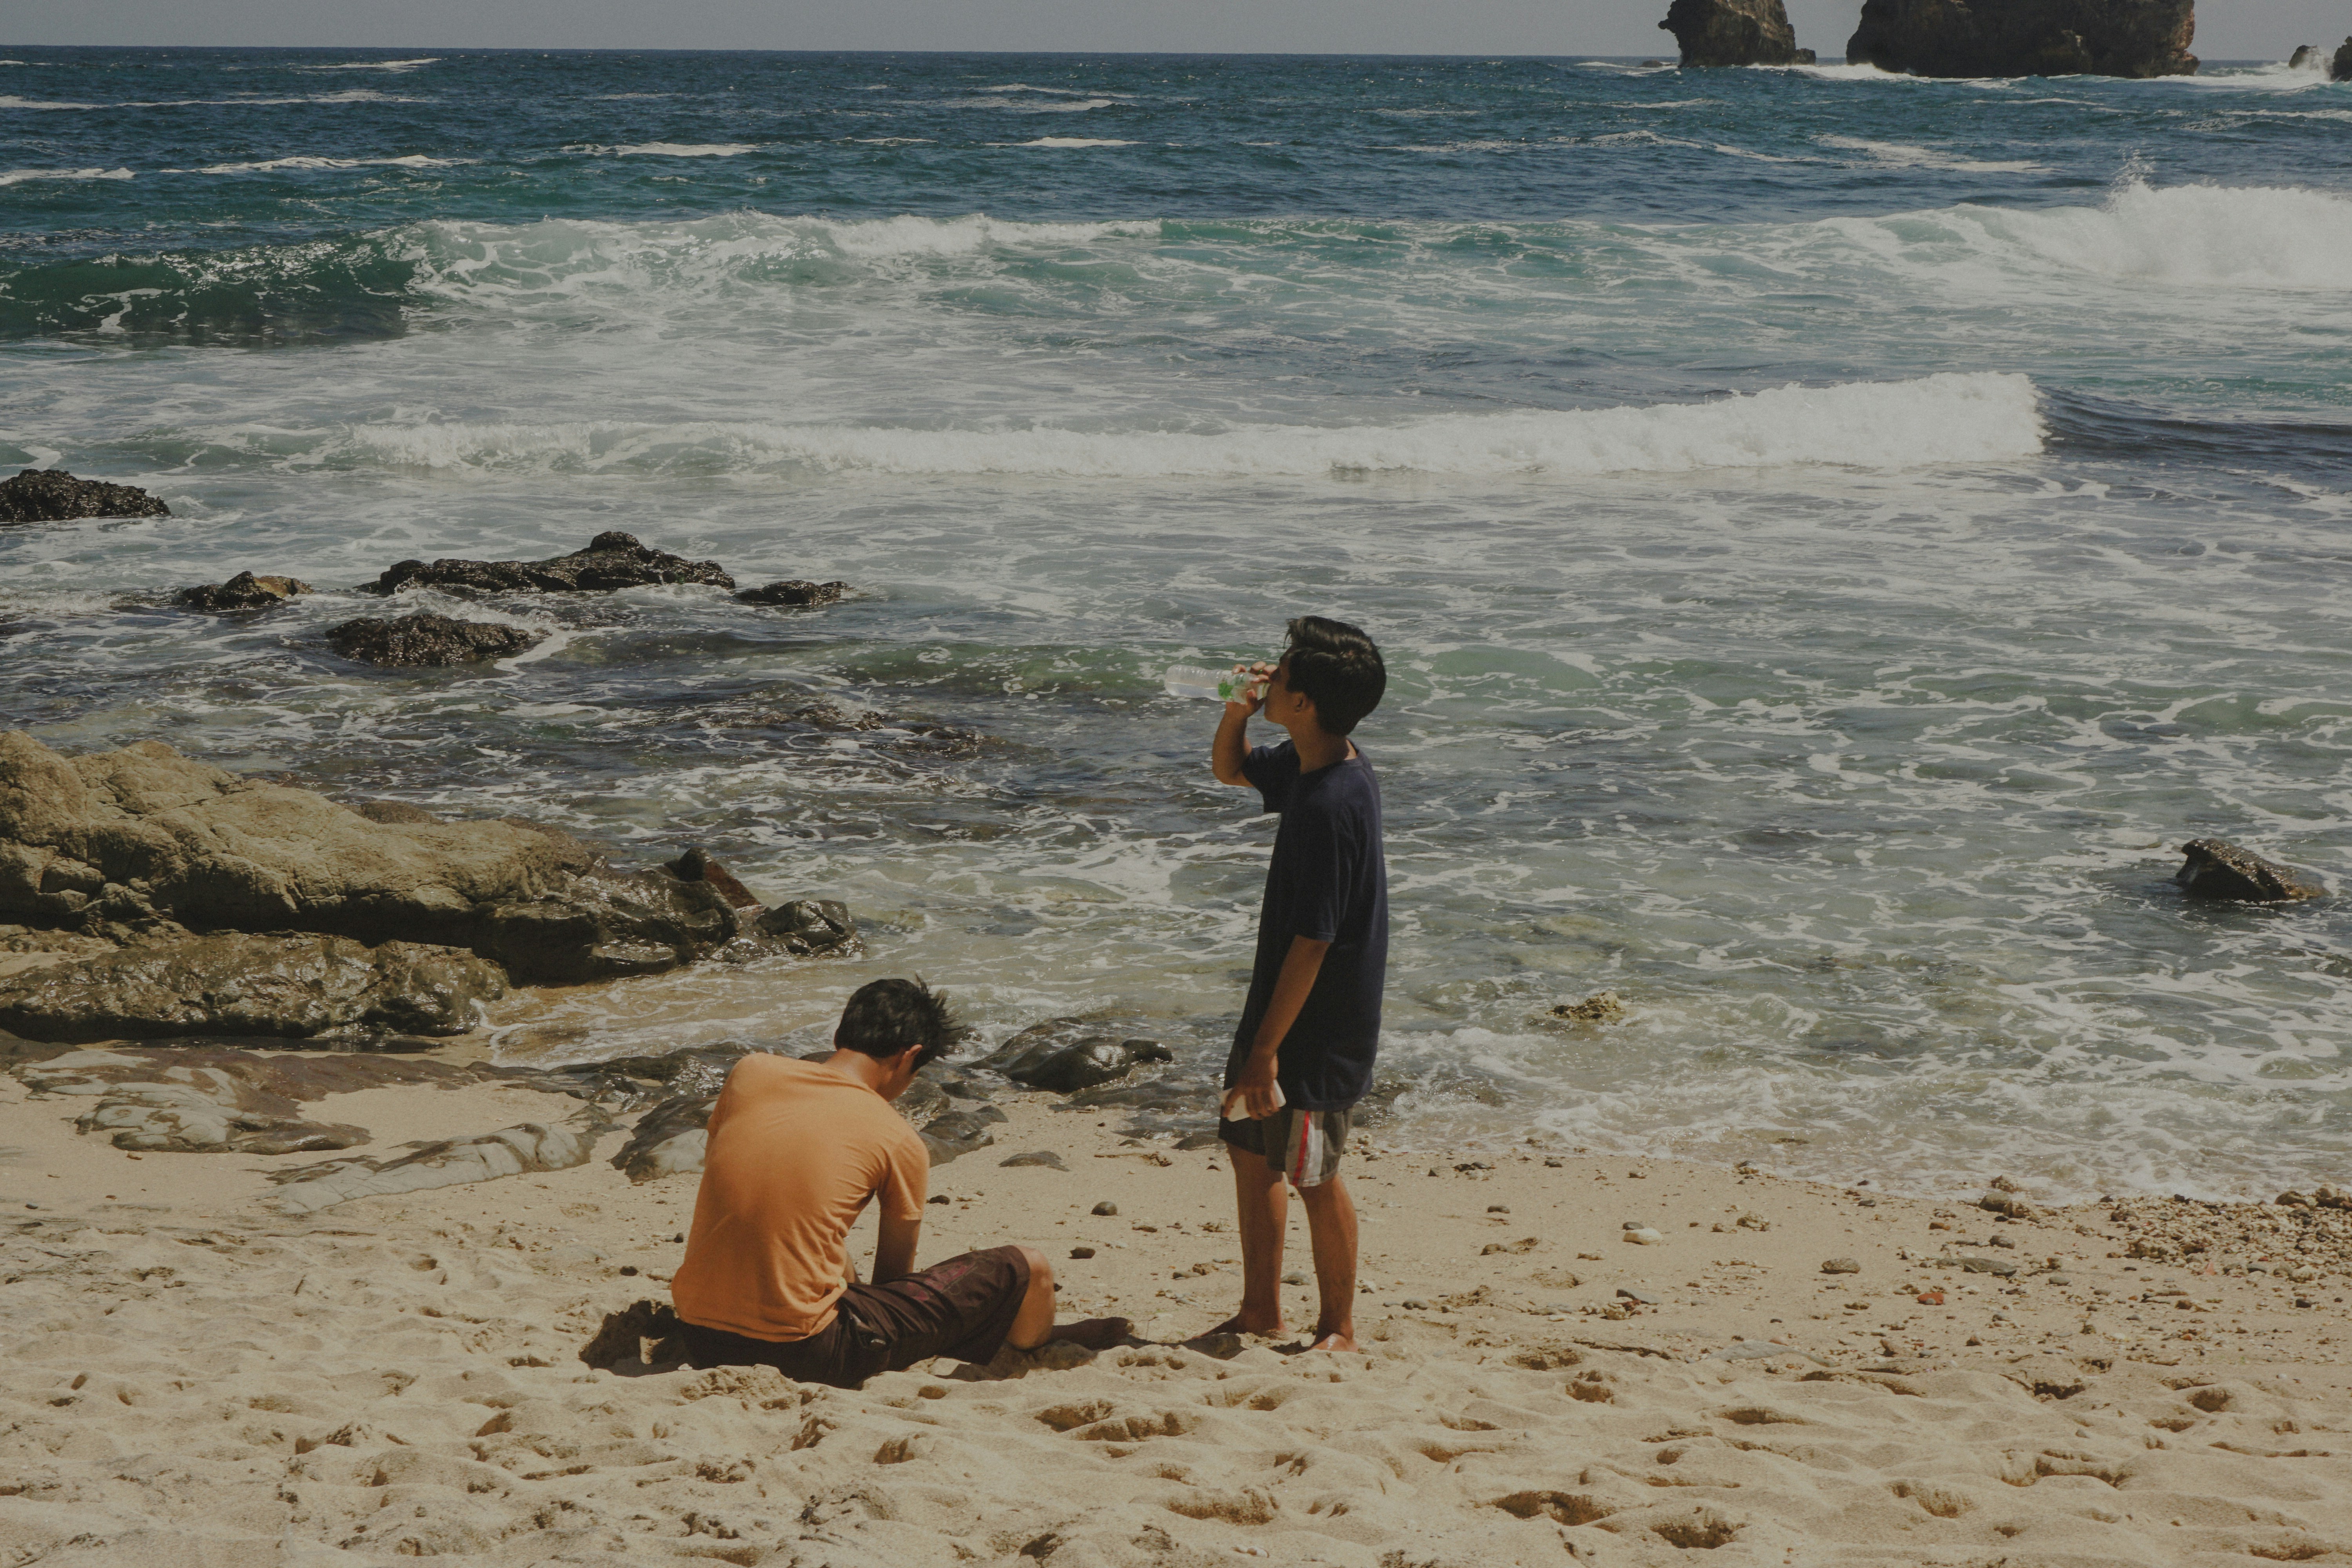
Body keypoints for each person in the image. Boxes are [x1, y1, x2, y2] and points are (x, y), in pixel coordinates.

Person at [669, 978, 1127, 1388]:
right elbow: (892, 1283)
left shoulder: (751, 1072)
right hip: (804, 1352)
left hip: (698, 1334)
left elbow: (747, 1188)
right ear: (909, 1056)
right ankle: (1035, 1338)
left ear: (842, 1033)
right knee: (1029, 1266)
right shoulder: (897, 1137)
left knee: (820, 1245)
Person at [1207, 615, 1388, 1353]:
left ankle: (1338, 1327)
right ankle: (1259, 1310)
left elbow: (1315, 944)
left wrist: (1265, 1053)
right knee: (1252, 1156)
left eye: (1279, 676)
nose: (1267, 677)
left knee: (1314, 1175)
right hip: (1278, 1010)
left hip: (1316, 1026)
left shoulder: (1332, 804)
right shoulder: (1317, 759)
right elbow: (1230, 770)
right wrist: (1235, 709)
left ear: (1306, 701)